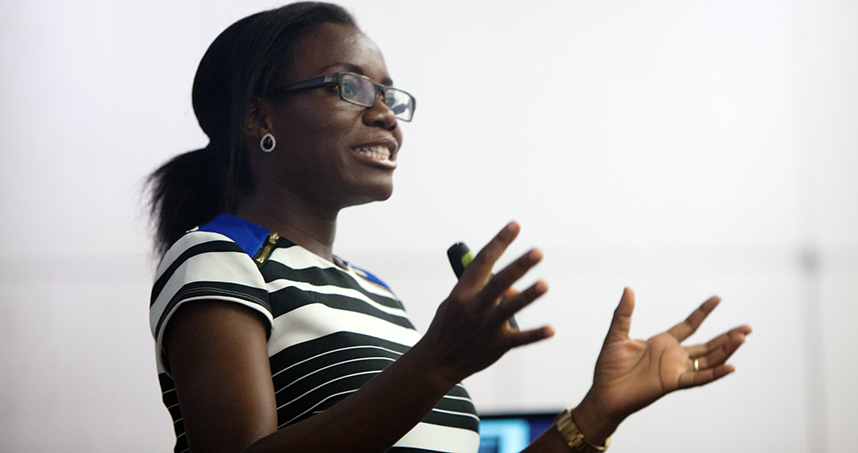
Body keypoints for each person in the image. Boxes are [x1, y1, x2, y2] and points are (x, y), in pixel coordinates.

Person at [146, 3, 752, 453]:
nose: (386, 114)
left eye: (389, 94)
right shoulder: (219, 258)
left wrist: (597, 412)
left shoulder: (375, 294)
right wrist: (437, 361)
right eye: (350, 86)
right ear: (259, 115)